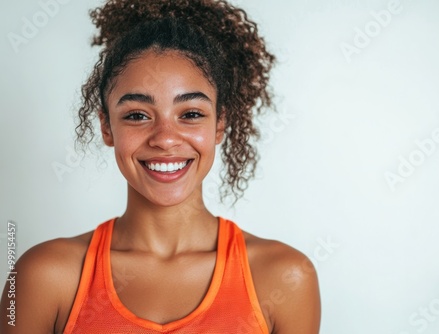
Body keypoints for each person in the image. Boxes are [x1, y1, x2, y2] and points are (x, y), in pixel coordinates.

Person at [1, 0, 321, 333]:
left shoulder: (285, 278)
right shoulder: (43, 276)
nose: (165, 139)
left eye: (191, 114)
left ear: (220, 124)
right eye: (137, 115)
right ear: (107, 127)